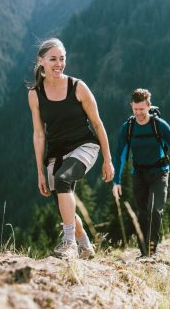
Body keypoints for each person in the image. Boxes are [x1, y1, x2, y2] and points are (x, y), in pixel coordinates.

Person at [27, 38, 114, 260]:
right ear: (41, 62)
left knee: (63, 180)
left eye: (62, 58)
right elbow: (39, 134)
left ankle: (69, 244)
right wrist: (39, 171)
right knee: (64, 205)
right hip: (55, 152)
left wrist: (108, 159)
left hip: (84, 145)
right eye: (53, 59)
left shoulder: (78, 87)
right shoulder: (35, 94)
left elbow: (97, 124)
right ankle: (85, 245)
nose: (59, 63)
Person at [112, 88, 170, 258]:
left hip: (160, 173)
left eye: (142, 109)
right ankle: (143, 252)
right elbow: (120, 156)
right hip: (139, 174)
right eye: (135, 109)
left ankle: (151, 251)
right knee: (142, 213)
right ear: (131, 106)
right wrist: (116, 181)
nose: (138, 113)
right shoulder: (128, 128)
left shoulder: (160, 125)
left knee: (155, 210)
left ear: (149, 106)